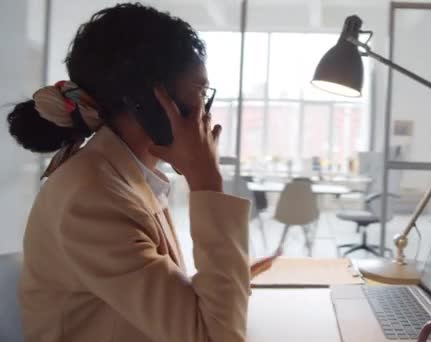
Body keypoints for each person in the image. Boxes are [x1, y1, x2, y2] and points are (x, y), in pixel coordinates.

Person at [6, 3, 274, 342]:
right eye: (201, 92)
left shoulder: (122, 176)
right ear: (149, 100)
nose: (207, 114)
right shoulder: (92, 199)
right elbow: (215, 337)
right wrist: (207, 180)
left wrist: (228, 280)